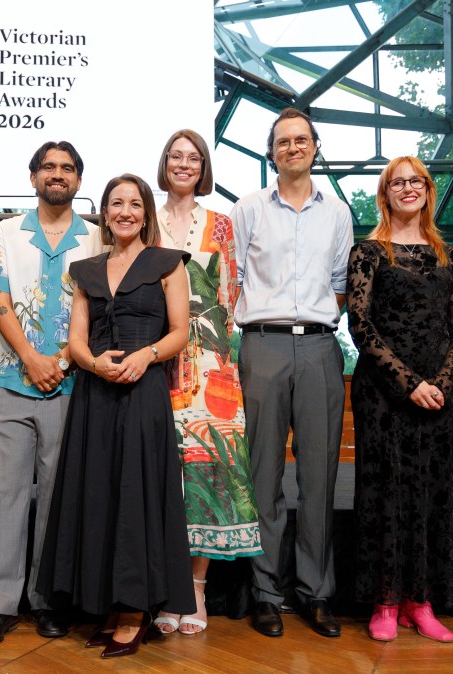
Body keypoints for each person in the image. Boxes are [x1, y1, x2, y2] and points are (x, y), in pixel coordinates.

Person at [38, 174, 193, 659]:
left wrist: (145, 356)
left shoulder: (169, 265)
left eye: (133, 204)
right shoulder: (85, 270)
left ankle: (134, 610)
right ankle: (107, 603)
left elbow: (180, 332)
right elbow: (78, 340)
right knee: (98, 493)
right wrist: (91, 363)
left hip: (143, 391)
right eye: (115, 203)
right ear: (104, 213)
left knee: (137, 492)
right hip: (95, 394)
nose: (124, 211)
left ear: (146, 212)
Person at [0, 141, 101, 646]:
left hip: (72, 385)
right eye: (49, 167)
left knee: (56, 500)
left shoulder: (96, 239)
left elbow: (95, 309)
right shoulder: (4, 232)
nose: (58, 174)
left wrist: (64, 360)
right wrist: (30, 357)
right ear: (32, 178)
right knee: (4, 498)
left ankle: (47, 600)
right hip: (9, 380)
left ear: (78, 181)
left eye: (67, 169)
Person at [231, 107, 353, 638]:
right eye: (283, 141)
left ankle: (315, 592)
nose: (292, 148)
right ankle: (265, 592)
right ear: (271, 151)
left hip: (322, 349)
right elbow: (231, 279)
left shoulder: (339, 212)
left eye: (302, 140)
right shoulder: (248, 208)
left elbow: (340, 282)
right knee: (262, 476)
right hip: (263, 346)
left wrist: (316, 325)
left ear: (315, 147)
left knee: (319, 475)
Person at [347, 157, 453, 643]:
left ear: (427, 189)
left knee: (430, 494)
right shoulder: (369, 252)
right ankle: (383, 602)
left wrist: (441, 381)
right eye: (396, 183)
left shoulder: (450, 255)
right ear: (385, 194)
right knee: (384, 493)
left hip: (439, 394)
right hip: (383, 392)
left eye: (414, 181)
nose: (406, 189)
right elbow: (360, 324)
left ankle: (420, 601)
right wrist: (408, 383)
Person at [151, 130, 261, 636]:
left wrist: (219, 363)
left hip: (210, 366)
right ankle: (162, 586)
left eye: (193, 158)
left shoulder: (221, 225)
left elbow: (230, 298)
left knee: (209, 472)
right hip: (151, 362)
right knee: (160, 474)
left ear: (203, 167)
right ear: (164, 163)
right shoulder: (145, 218)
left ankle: (195, 588)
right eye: (175, 156)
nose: (183, 164)